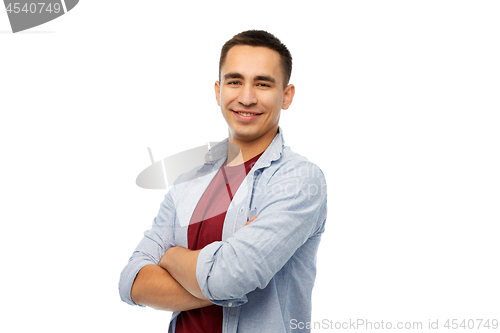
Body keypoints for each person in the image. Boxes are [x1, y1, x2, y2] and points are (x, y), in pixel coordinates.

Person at [119, 30, 328, 333]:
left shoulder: (299, 180)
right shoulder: (190, 178)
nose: (246, 97)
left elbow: (229, 279)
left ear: (287, 95)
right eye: (234, 81)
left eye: (263, 83)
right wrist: (222, 269)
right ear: (218, 91)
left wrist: (170, 256)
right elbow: (132, 281)